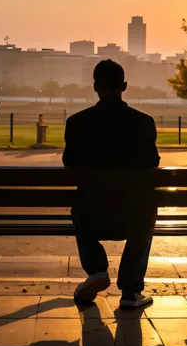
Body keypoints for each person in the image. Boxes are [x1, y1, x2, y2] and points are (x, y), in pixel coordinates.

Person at [63, 59, 160, 310]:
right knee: (147, 213)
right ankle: (130, 290)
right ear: (124, 86)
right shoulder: (143, 122)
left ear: (96, 87)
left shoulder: (77, 123)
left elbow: (69, 162)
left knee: (79, 208)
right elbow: (153, 162)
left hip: (92, 214)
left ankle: (96, 269)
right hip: (133, 215)